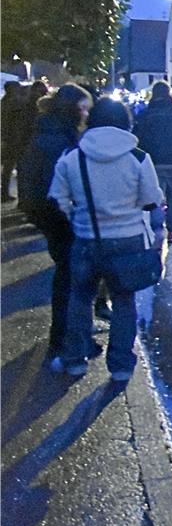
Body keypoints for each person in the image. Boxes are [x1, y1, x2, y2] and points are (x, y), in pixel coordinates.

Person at [49, 98, 164, 380]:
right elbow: (151, 200)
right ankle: (121, 366)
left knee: (80, 299)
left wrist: (79, 216)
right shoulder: (138, 157)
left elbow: (58, 198)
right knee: (125, 302)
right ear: (126, 122)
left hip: (87, 238)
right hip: (129, 240)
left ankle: (75, 359)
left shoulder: (72, 156)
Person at [17, 84, 94, 362]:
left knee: (67, 273)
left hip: (43, 210)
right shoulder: (61, 138)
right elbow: (60, 183)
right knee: (71, 278)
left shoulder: (48, 129)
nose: (86, 113)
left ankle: (66, 338)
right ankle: (64, 341)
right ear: (72, 108)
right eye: (83, 108)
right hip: (57, 212)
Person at [133, 81, 172, 242]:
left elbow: (138, 140)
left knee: (156, 195)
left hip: (152, 161)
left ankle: (156, 226)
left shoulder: (145, 115)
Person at [1, 82, 32, 201]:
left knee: (8, 169)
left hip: (8, 139)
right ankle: (21, 196)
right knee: (19, 168)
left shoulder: (4, 102)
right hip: (15, 140)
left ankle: (4, 193)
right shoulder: (16, 103)